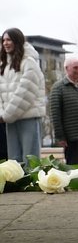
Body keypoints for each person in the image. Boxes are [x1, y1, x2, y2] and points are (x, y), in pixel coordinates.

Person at [0, 28, 46, 163]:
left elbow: (25, 93)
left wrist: (6, 115)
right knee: (14, 161)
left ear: (17, 41)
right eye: (3, 40)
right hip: (10, 119)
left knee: (30, 159)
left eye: (9, 40)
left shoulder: (29, 63)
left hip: (28, 118)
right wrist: (3, 113)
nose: (5, 43)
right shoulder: (4, 65)